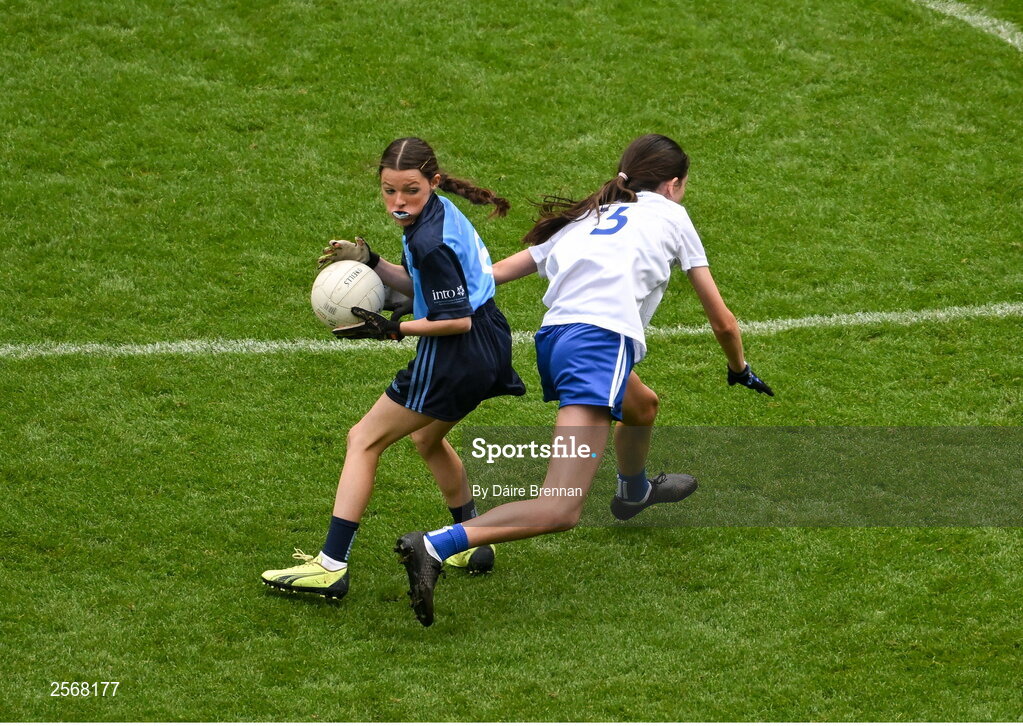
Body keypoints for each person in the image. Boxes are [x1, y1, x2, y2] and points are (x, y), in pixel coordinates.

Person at [395, 133, 773, 626]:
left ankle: (633, 492)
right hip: (597, 345)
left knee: (641, 405)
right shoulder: (671, 215)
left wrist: (431, 295)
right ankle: (436, 545)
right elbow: (722, 320)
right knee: (560, 508)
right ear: (675, 184)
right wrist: (739, 368)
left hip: (555, 341)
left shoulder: (592, 213)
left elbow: (497, 272)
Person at [262, 137, 526, 600]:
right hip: (490, 341)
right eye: (389, 191)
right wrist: (371, 263)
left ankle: (331, 566)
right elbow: (426, 290)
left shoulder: (428, 241)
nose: (399, 202)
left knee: (363, 439)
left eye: (410, 191)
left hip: (456, 353)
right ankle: (471, 542)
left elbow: (453, 318)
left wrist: (395, 329)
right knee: (427, 438)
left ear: (434, 182)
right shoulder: (438, 215)